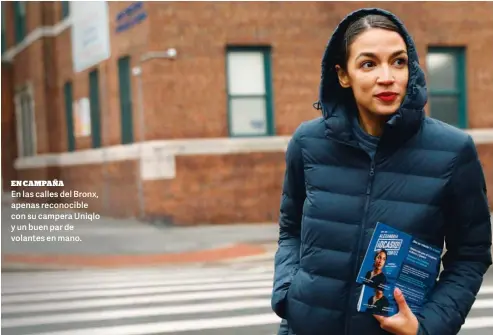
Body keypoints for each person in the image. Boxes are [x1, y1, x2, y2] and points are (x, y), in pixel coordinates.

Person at [271, 7, 492, 335]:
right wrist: (287, 293)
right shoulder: (308, 142)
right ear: (343, 75)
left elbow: (471, 255)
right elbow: (291, 230)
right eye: (368, 64)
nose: (386, 76)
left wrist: (427, 327)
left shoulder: (453, 151)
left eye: (398, 61)